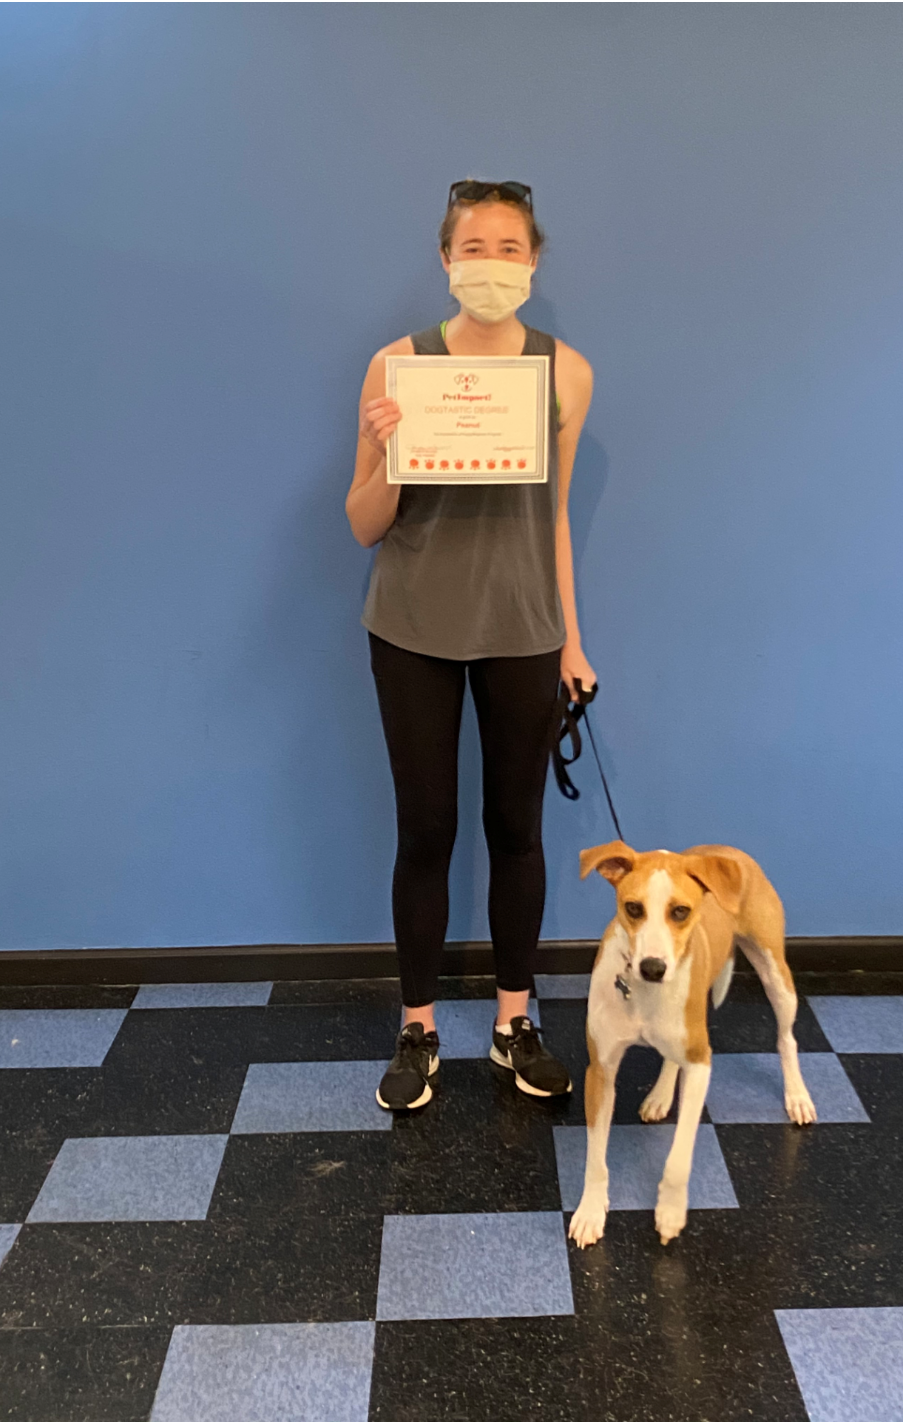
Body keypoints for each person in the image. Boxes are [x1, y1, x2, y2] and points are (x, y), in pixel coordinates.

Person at [345, 179, 596, 1110]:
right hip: (410, 628)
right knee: (427, 831)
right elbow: (363, 523)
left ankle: (512, 1022)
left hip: (523, 632)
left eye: (509, 248)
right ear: (444, 259)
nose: (491, 264)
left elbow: (554, 516)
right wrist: (387, 453)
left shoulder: (565, 371)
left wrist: (571, 641)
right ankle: (417, 1030)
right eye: (473, 247)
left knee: (516, 831)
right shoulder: (394, 367)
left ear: (533, 261)